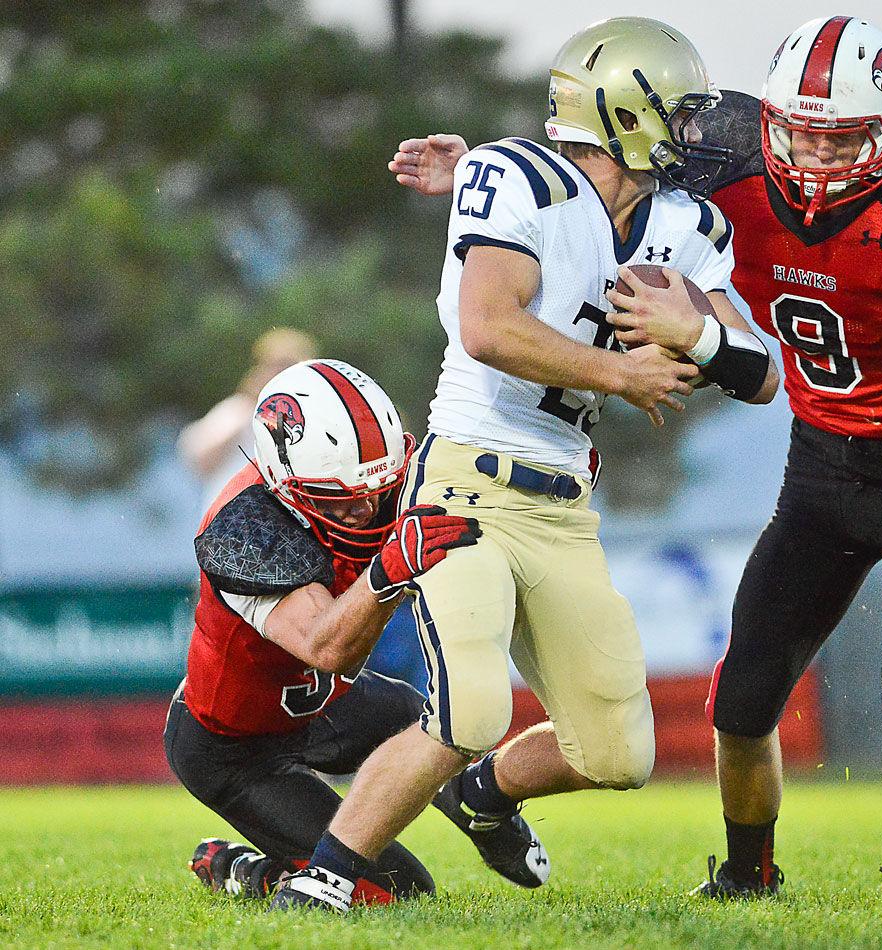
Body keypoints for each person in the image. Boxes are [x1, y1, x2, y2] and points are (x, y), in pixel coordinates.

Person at [391, 14, 882, 909]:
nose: (809, 152)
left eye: (835, 135)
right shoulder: (721, 166)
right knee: (741, 704)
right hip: (826, 468)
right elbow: (599, 159)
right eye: (796, 128)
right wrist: (476, 177)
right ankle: (745, 872)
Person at [269, 16, 778, 912]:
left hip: (563, 504)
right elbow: (489, 326)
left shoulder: (685, 223)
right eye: (681, 111)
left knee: (619, 755)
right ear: (625, 108)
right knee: (470, 709)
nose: (695, 132)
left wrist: (695, 334)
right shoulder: (516, 177)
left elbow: (762, 370)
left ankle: (485, 796)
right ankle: (326, 876)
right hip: (465, 480)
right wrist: (623, 369)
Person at [165, 358, 548, 906]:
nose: (364, 506)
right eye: (336, 494)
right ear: (283, 482)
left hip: (323, 708)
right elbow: (330, 648)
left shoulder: (376, 483)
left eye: (379, 484)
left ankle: (476, 801)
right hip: (235, 744)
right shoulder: (243, 528)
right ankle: (248, 870)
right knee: (398, 893)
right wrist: (392, 567)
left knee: (442, 720)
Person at [177, 328, 317, 506]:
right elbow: (200, 458)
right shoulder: (238, 409)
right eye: (276, 366)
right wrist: (252, 406)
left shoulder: (310, 418)